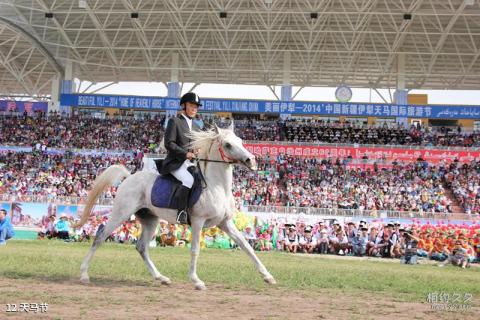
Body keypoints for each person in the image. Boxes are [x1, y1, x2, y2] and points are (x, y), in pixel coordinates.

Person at [159, 92, 202, 224]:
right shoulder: (175, 121)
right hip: (175, 162)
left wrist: (197, 150)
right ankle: (181, 212)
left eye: (196, 106)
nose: (194, 108)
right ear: (184, 106)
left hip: (190, 163)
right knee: (188, 180)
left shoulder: (197, 126)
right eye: (191, 105)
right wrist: (185, 153)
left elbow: (196, 145)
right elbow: (169, 143)